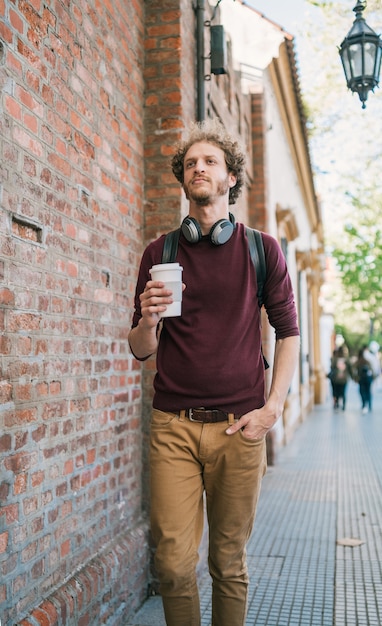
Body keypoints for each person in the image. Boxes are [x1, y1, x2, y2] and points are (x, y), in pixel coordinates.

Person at [128, 118, 300, 626]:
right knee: (174, 566)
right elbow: (139, 349)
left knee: (228, 563)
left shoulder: (261, 250)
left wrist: (272, 409)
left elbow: (289, 331)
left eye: (210, 161)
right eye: (189, 164)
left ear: (230, 178)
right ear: (182, 182)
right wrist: (148, 317)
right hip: (172, 428)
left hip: (239, 428)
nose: (198, 168)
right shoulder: (159, 253)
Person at [328, 345, 352, 410]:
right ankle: (344, 405)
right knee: (343, 392)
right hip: (344, 379)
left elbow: (332, 367)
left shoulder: (335, 359)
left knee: (336, 392)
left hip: (336, 379)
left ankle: (337, 403)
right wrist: (353, 377)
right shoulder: (346, 359)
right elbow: (350, 369)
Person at [355, 346, 374, 413]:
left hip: (361, 379)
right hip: (368, 378)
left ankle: (364, 404)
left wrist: (356, 378)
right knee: (368, 391)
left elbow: (354, 371)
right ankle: (369, 405)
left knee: (362, 391)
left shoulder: (358, 362)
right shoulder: (367, 361)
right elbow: (371, 370)